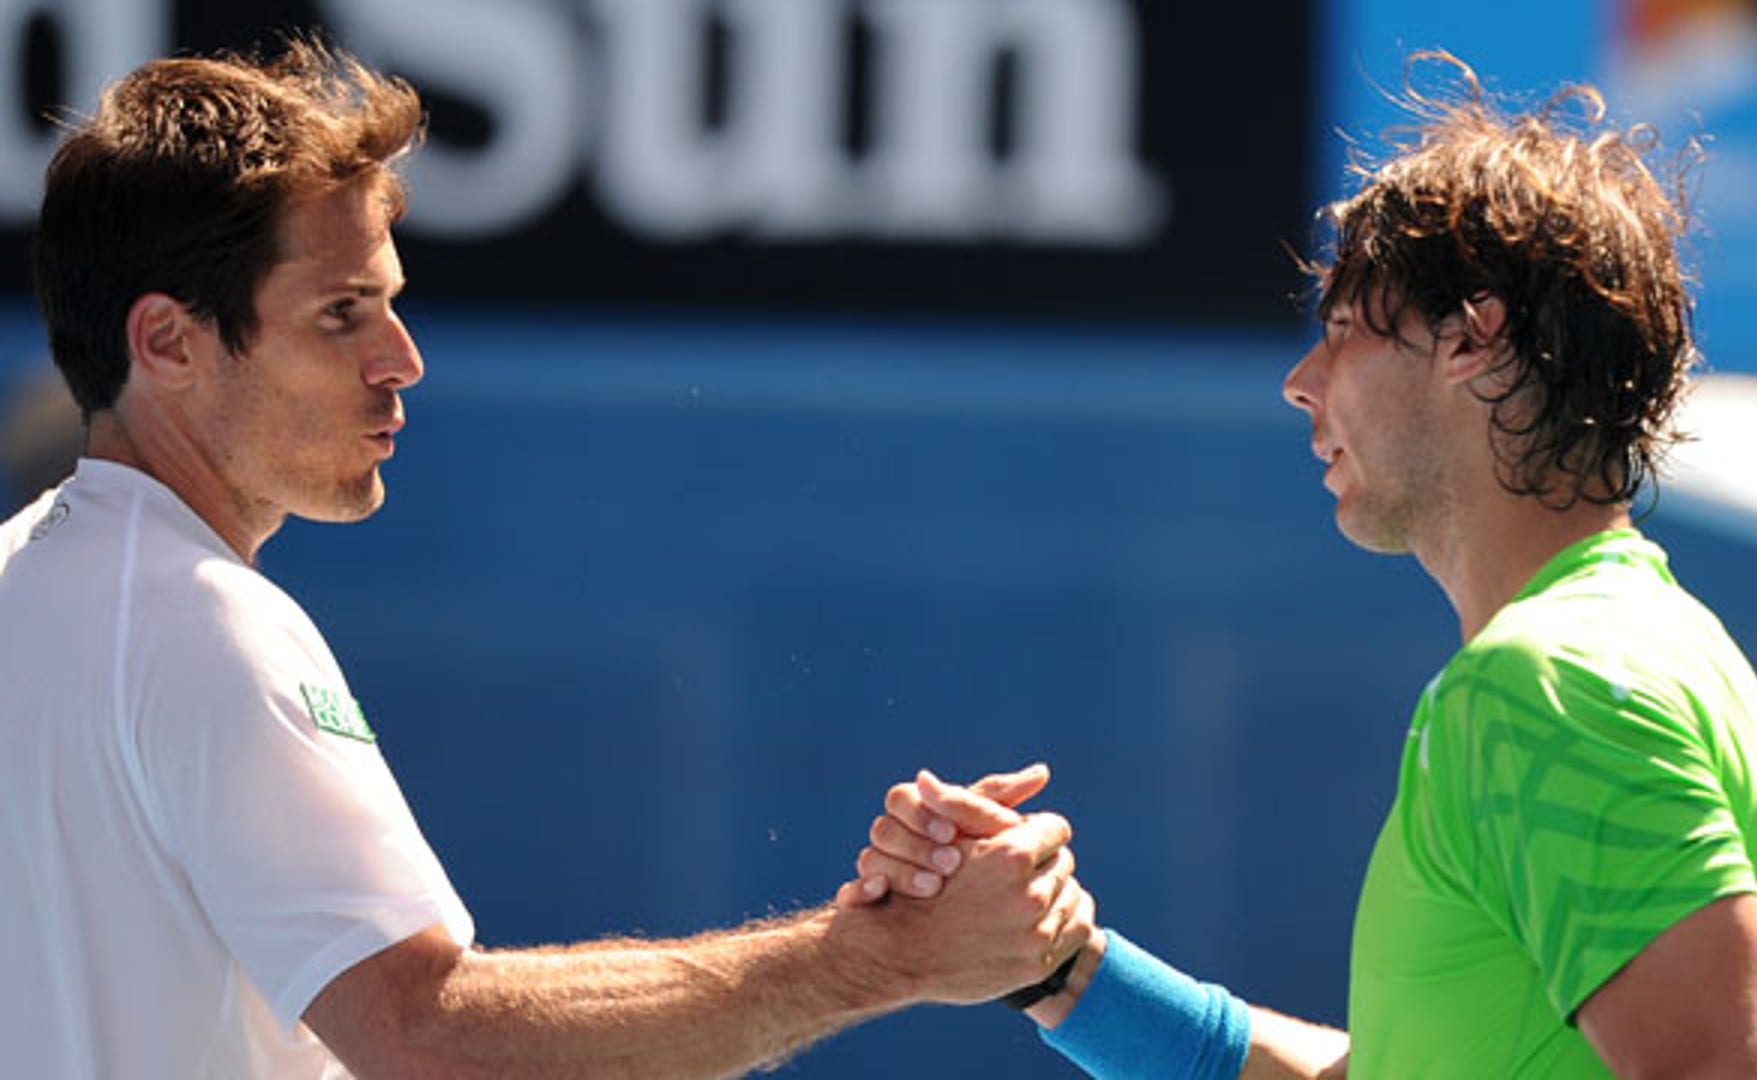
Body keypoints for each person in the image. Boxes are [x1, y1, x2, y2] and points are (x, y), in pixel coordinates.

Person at [0, 38, 1094, 1078]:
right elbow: (426, 1042)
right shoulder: (206, 624)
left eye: (391, 306)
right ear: (168, 343)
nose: (403, 361)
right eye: (342, 314)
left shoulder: (27, 583)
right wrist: (879, 959)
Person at [849, 52, 1757, 1079]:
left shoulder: (1551, 683)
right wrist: (1057, 971)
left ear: (1473, 340)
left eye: (1339, 330)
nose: (1299, 383)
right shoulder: (1652, 648)